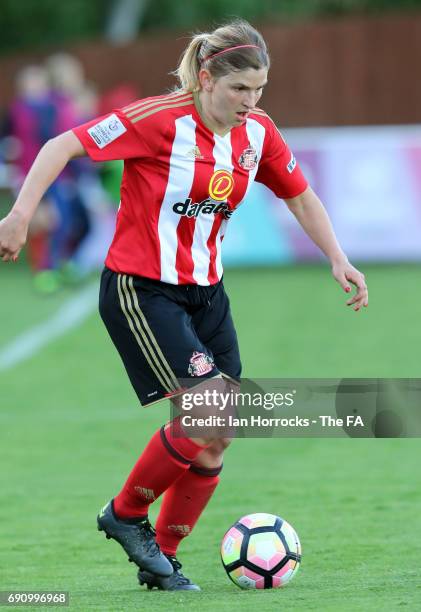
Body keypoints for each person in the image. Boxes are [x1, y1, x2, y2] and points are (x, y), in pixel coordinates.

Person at [0, 20, 368, 591]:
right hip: (142, 289)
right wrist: (21, 216)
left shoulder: (259, 134)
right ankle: (124, 515)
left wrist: (337, 257)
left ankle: (163, 558)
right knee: (210, 411)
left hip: (207, 294)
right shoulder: (159, 119)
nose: (251, 102)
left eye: (259, 89)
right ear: (205, 78)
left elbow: (301, 194)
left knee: (220, 431)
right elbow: (61, 144)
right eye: (239, 89)